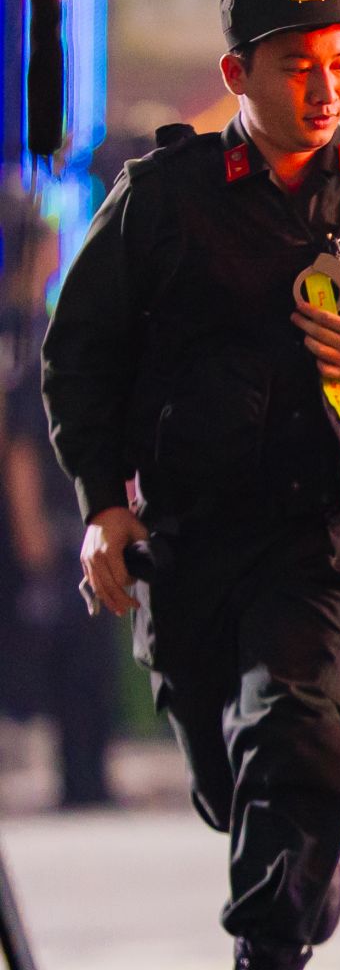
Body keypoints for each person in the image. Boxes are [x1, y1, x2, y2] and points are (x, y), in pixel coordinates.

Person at [41, 0, 340, 969]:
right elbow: (82, 355)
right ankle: (300, 866)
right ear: (237, 73)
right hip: (192, 531)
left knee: (290, 722)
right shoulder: (163, 198)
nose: (326, 86)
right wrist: (102, 506)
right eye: (298, 66)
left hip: (328, 527)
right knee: (229, 779)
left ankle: (270, 942)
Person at [0, 206, 116, 808]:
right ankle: (84, 781)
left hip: (41, 518)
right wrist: (32, 532)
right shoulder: (32, 335)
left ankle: (84, 777)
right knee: (79, 655)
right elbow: (20, 444)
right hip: (46, 517)